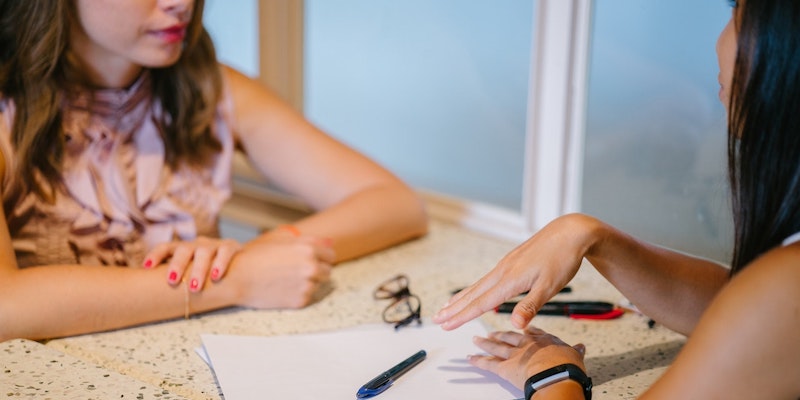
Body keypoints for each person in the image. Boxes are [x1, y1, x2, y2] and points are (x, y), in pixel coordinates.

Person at [0, 0, 428, 342]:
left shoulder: (215, 89)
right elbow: (6, 306)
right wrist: (234, 282)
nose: (181, 4)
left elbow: (395, 203)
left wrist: (269, 248)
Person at [433, 1, 800, 399]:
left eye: (738, 14)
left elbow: (768, 312)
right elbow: (742, 311)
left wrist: (554, 377)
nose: (720, 39)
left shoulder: (788, 287)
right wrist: (591, 236)